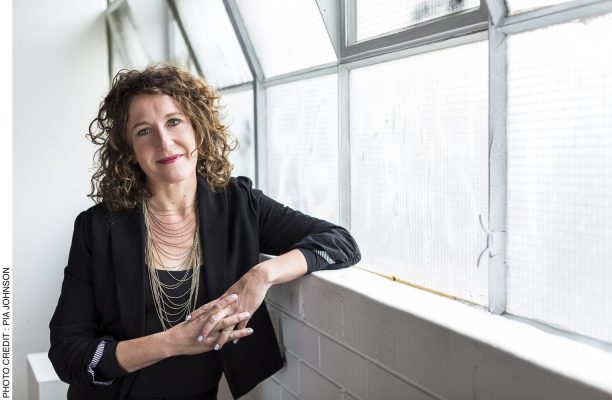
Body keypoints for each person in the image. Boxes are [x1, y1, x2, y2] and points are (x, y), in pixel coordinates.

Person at [48, 64, 360, 400]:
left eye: (173, 121)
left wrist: (261, 274)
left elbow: (341, 242)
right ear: (129, 149)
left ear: (198, 126)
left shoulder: (240, 207)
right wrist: (172, 342)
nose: (164, 142)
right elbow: (68, 354)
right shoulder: (96, 228)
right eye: (143, 131)